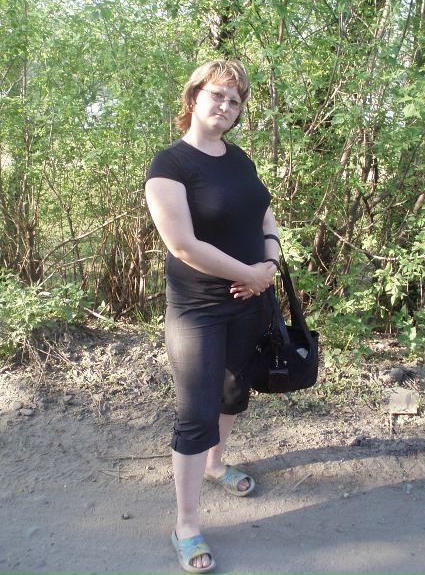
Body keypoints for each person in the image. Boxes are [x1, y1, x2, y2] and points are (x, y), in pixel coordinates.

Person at [145, 59, 280, 573]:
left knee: (232, 391)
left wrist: (269, 265)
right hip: (196, 310)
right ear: (194, 98)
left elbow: (264, 212)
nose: (226, 105)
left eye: (235, 100)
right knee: (196, 412)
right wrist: (250, 274)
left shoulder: (240, 159)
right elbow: (182, 244)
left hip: (249, 303)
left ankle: (216, 464)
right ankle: (186, 524)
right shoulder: (170, 165)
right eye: (217, 95)